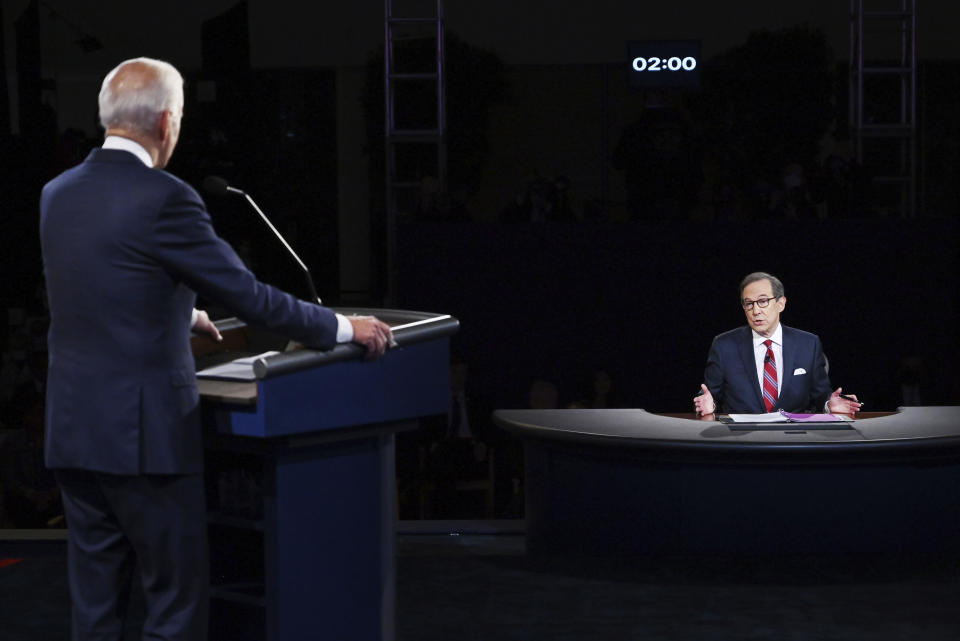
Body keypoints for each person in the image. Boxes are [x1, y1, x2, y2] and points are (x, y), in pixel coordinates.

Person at [39, 57, 393, 641]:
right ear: (167, 121)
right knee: (173, 609)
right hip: (145, 442)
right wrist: (340, 328)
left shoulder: (58, 194)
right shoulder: (164, 198)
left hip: (76, 433)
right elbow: (249, 296)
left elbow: (100, 290)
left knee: (96, 612)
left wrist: (179, 313)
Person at [693, 272, 861, 416]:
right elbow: (709, 395)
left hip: (793, 438)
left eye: (763, 301)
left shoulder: (808, 343)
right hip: (741, 438)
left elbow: (821, 393)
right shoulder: (724, 345)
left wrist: (829, 405)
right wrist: (709, 405)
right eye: (749, 303)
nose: (756, 311)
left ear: (781, 303)